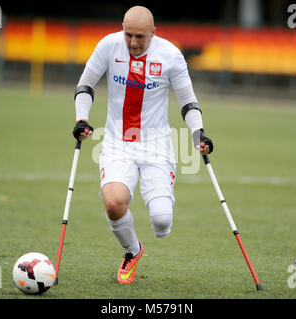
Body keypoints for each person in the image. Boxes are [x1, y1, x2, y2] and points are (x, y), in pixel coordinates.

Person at [72, 5, 213, 284]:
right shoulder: (108, 46)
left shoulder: (171, 55)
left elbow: (188, 102)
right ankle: (132, 250)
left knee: (161, 221)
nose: (133, 43)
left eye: (140, 37)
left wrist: (199, 135)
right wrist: (81, 119)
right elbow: (85, 85)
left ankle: (159, 218)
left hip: (156, 145)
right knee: (113, 202)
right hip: (116, 142)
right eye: (128, 35)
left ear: (154, 33)